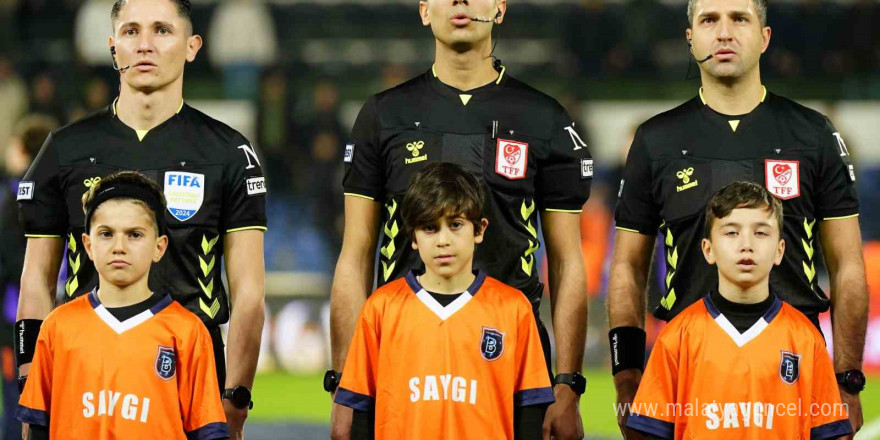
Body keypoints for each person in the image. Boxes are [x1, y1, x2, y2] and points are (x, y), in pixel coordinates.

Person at [329, 1, 593, 439]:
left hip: (511, 364)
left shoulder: (543, 118)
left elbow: (567, 262)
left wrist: (567, 384)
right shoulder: (382, 116)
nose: (460, 2)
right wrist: (343, 383)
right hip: (403, 360)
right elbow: (355, 255)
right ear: (424, 11)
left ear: (500, 9)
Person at [607, 0, 867, 437]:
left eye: (739, 19)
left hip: (794, 366)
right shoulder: (656, 140)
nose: (724, 33)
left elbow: (847, 265)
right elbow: (628, 267)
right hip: (688, 365)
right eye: (709, 20)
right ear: (690, 39)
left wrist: (847, 379)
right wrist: (627, 375)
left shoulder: (813, 134)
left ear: (765, 38)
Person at [14, 1, 267, 437]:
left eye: (162, 31)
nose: (145, 45)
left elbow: (249, 294)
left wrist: (236, 395)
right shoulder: (64, 149)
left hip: (192, 382)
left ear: (192, 46)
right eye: (131, 32)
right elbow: (36, 277)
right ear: (113, 47)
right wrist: (29, 378)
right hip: (81, 377)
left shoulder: (229, 153)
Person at [335, 163, 554, 440]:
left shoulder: (513, 309)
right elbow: (363, 414)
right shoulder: (381, 309)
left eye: (455, 225)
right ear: (413, 236)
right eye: (429, 228)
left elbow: (529, 413)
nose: (443, 240)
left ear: (479, 229)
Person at [625, 182, 852, 440]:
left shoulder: (805, 339)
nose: (746, 245)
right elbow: (650, 431)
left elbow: (829, 432)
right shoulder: (677, 337)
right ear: (708, 250)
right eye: (732, 233)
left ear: (779, 251)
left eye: (761, 233)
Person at [17, 171, 229, 440]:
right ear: (88, 245)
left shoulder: (189, 332)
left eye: (134, 235)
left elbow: (207, 431)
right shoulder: (57, 326)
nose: (119, 246)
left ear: (159, 247)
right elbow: (38, 426)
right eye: (106, 234)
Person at [0, 115, 57, 440]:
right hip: (63, 312)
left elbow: (9, 263)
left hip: (16, 319)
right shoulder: (61, 194)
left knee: (19, 404)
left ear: (22, 151)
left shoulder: (13, 200)